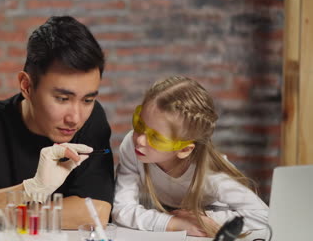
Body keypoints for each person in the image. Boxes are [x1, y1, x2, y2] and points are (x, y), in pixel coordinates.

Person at [0, 16, 115, 238]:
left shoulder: (92, 120)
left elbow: (96, 213)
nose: (75, 118)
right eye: (62, 98)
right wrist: (29, 189)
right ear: (26, 86)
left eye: (88, 100)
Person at [112, 76, 268, 237]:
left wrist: (203, 218)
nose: (140, 139)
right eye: (139, 124)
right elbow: (121, 210)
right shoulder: (132, 147)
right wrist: (173, 223)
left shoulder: (212, 174)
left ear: (184, 149)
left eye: (157, 138)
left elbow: (263, 216)